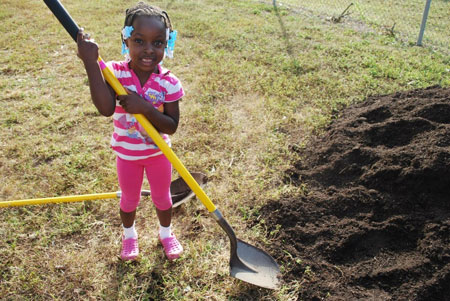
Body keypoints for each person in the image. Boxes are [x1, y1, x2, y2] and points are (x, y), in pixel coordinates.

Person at [76, 2, 184, 261]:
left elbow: (171, 126)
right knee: (129, 200)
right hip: (127, 155)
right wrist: (91, 63)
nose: (148, 50)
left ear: (166, 44)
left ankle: (166, 233)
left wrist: (144, 107)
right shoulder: (115, 73)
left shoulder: (169, 82)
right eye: (139, 41)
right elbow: (105, 108)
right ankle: (129, 235)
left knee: (162, 198)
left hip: (159, 153)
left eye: (157, 43)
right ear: (125, 39)